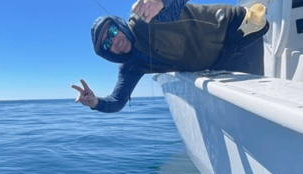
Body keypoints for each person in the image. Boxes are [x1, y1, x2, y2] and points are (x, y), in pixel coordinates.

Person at [72, 0, 269, 113]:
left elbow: (174, 5)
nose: (115, 42)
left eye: (113, 32)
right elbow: (118, 99)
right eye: (107, 44)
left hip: (239, 33)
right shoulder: (131, 66)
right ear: (108, 53)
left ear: (120, 24)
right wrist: (96, 103)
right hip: (218, 61)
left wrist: (161, 2)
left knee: (254, 107)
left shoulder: (147, 19)